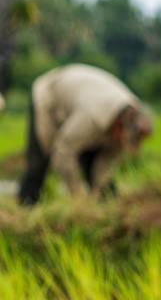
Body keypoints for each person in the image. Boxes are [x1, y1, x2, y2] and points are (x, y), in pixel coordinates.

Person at [17, 64, 153, 206]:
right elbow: (63, 151)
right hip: (50, 97)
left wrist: (98, 191)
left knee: (97, 172)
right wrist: (78, 195)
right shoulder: (90, 119)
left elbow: (105, 163)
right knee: (39, 161)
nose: (122, 143)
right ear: (119, 126)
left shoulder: (131, 116)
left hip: (85, 100)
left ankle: (107, 208)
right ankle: (27, 206)